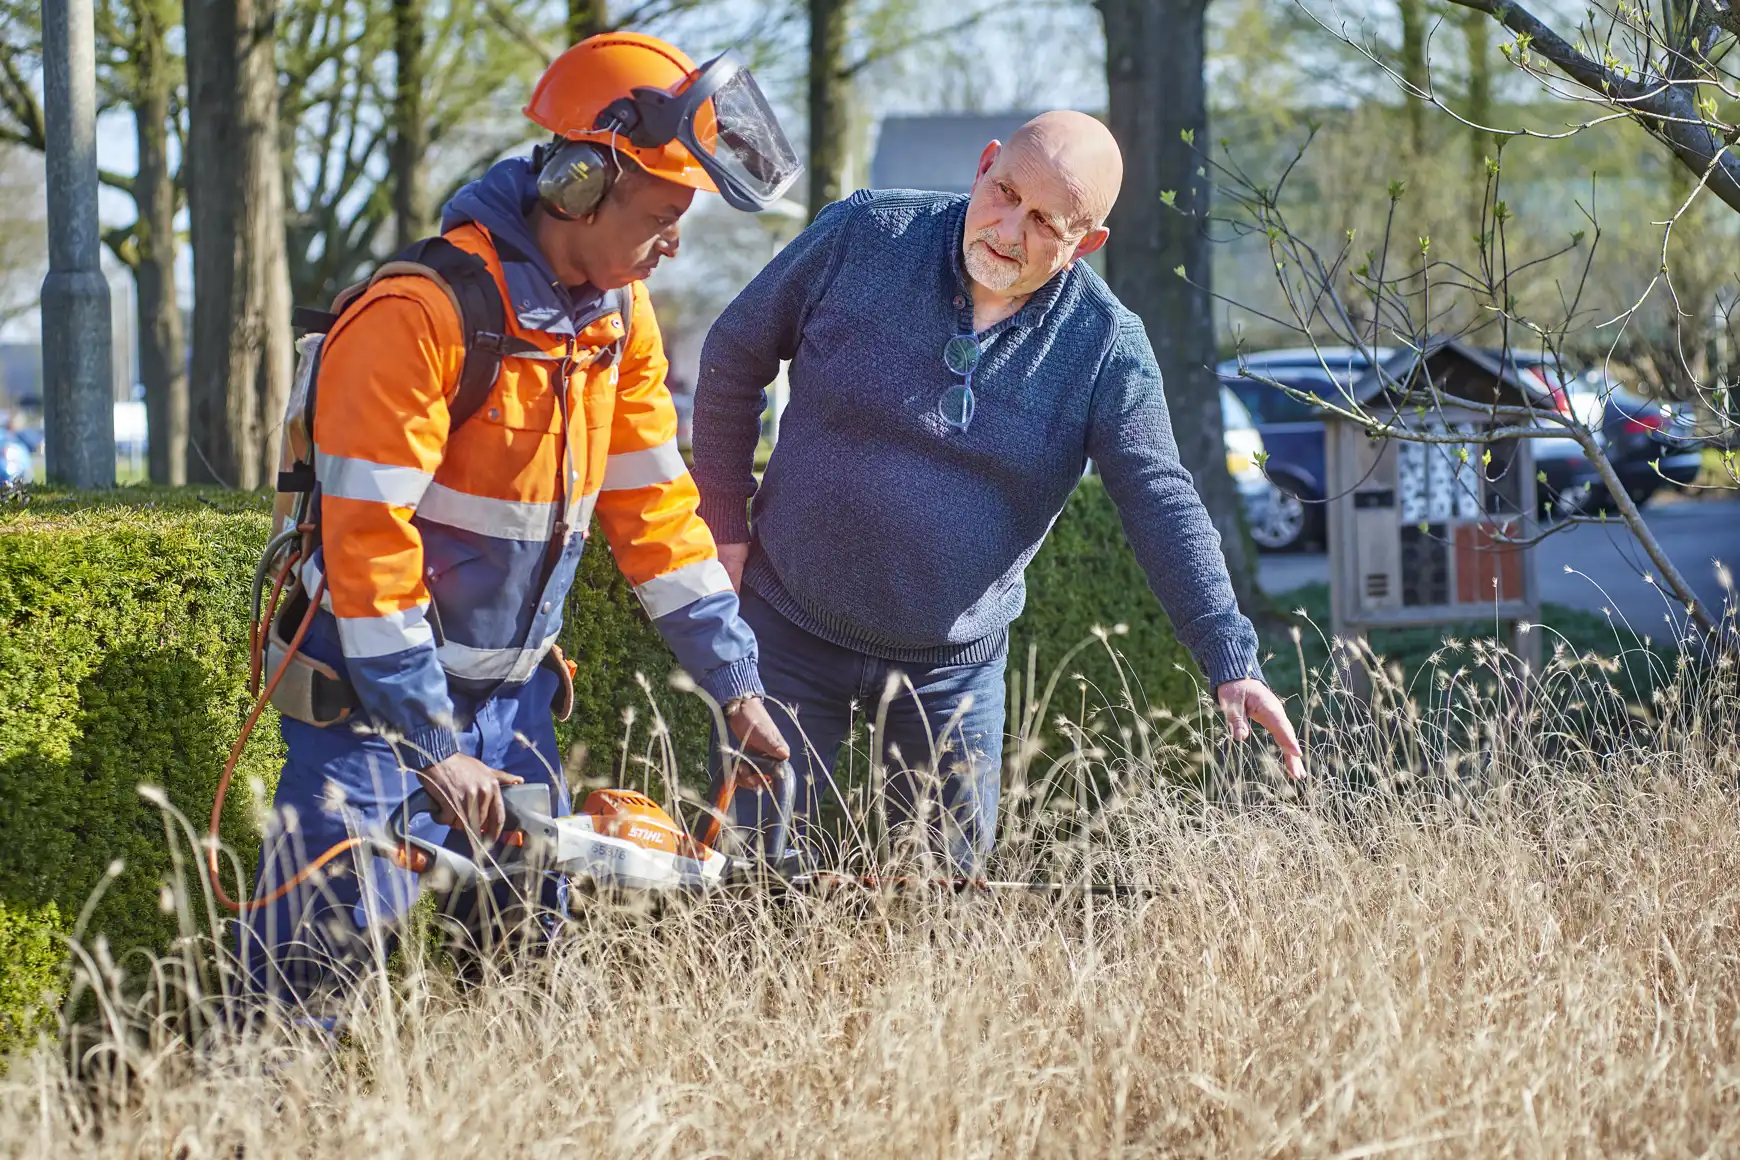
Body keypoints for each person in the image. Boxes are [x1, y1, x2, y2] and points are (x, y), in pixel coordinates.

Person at [243, 31, 799, 1003]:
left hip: (513, 707)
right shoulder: (420, 314)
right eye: (662, 216)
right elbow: (367, 547)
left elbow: (658, 510)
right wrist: (430, 737)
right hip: (372, 711)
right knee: (304, 983)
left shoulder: (619, 320)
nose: (674, 244)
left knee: (522, 981)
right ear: (579, 186)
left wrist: (735, 682)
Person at [690, 111, 1306, 871]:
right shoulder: (865, 233)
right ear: (984, 165)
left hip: (950, 672)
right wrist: (723, 519)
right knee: (751, 878)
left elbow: (1159, 497)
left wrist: (1231, 658)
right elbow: (735, 350)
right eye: (1006, 192)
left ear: (1087, 243)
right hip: (787, 624)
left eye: (1046, 222)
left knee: (941, 900)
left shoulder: (1104, 345)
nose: (1009, 230)